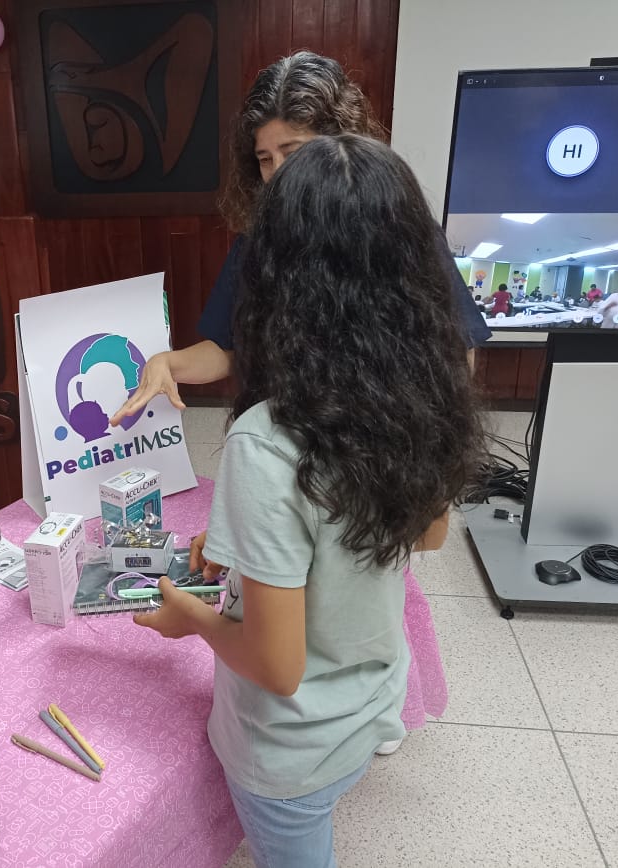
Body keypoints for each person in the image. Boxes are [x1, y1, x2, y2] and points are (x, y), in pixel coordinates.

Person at [111, 51, 486, 754]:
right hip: (293, 453)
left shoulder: (393, 230)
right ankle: (340, 710)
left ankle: (367, 708)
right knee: (295, 592)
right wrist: (168, 362)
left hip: (373, 444)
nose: (280, 173)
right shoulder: (262, 243)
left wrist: (426, 450)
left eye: (296, 151)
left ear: (343, 145)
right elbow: (226, 346)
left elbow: (452, 350)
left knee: (362, 584)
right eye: (265, 159)